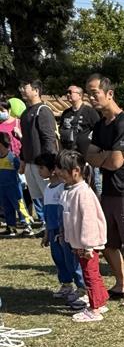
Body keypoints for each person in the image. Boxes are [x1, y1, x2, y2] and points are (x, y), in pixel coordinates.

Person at [85, 74, 124, 306]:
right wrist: (107, 155)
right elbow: (90, 156)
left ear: (109, 93)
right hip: (109, 192)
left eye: (95, 93)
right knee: (108, 243)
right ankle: (122, 284)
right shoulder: (100, 125)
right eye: (88, 94)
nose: (91, 98)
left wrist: (104, 157)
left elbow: (115, 163)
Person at [57, 149, 110, 323]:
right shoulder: (71, 190)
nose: (59, 173)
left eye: (62, 170)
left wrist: (88, 246)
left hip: (87, 244)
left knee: (90, 274)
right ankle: (101, 300)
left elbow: (89, 221)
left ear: (76, 171)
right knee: (92, 273)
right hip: (79, 243)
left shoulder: (83, 193)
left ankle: (94, 309)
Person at [34, 152, 85, 303]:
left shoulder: (63, 188)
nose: (39, 171)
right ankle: (66, 284)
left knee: (71, 260)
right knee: (58, 259)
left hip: (64, 231)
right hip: (53, 231)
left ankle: (82, 287)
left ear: (53, 170)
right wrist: (47, 233)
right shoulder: (47, 188)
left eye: (41, 168)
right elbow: (47, 213)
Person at [18, 79, 58, 228]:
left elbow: (49, 139)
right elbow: (25, 140)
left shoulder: (43, 110)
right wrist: (23, 160)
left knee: (49, 196)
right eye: (21, 87)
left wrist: (48, 164)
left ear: (36, 90)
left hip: (42, 164)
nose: (22, 90)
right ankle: (45, 224)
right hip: (29, 163)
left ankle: (54, 225)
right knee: (38, 197)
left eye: (25, 87)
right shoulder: (25, 113)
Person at [59, 84, 100, 153]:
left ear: (80, 95)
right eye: (67, 92)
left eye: (70, 92)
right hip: (67, 154)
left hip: (85, 154)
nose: (68, 94)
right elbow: (61, 130)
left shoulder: (90, 112)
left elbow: (98, 131)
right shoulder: (65, 113)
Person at [0, 133, 25, 236]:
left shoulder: (12, 157)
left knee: (20, 206)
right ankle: (11, 227)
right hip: (2, 188)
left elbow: (20, 170)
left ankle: (26, 225)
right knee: (7, 208)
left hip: (13, 187)